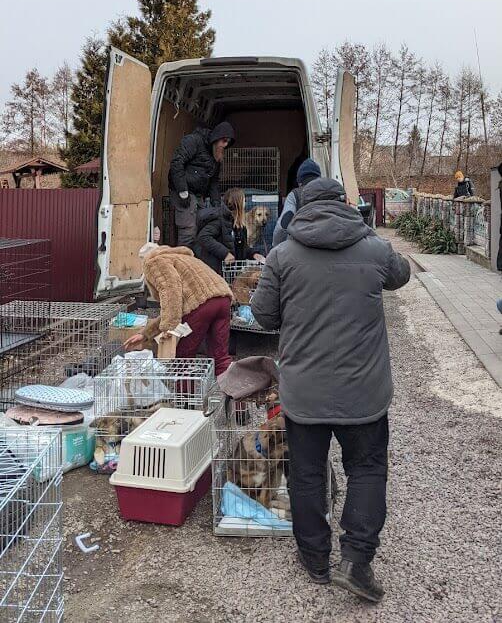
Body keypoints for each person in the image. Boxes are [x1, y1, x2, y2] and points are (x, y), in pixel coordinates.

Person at [251, 178, 410, 601]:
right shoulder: (373, 248)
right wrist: (369, 230)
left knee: (306, 473)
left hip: (304, 394)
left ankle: (315, 558)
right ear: (345, 204)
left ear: (299, 207)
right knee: (367, 469)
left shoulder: (282, 255)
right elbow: (402, 275)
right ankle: (357, 558)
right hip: (365, 392)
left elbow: (263, 316)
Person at [124, 244, 234, 376]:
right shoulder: (182, 257)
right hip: (223, 300)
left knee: (182, 358)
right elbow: (174, 308)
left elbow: (171, 291)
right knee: (220, 355)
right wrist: (145, 334)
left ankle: (185, 395)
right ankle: (233, 392)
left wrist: (169, 329)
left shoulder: (154, 262)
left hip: (200, 305)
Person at [168, 121, 235, 248]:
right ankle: (183, 263)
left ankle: (194, 263)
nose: (225, 145)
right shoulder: (194, 141)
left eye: (228, 142)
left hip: (199, 195)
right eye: (224, 141)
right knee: (188, 231)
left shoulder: (216, 155)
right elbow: (177, 162)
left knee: (200, 230)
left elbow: (214, 181)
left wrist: (216, 205)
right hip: (184, 191)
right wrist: (183, 191)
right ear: (217, 137)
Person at [194, 188, 265, 275]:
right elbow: (204, 237)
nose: (245, 203)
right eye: (244, 200)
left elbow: (241, 247)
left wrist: (253, 254)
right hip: (214, 269)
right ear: (237, 203)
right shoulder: (219, 219)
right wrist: (225, 253)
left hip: (230, 270)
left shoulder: (239, 223)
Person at [273, 158, 321, 246]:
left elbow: (282, 226)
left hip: (302, 246)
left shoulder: (295, 195)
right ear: (319, 177)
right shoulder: (332, 192)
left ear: (299, 181)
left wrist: (275, 247)